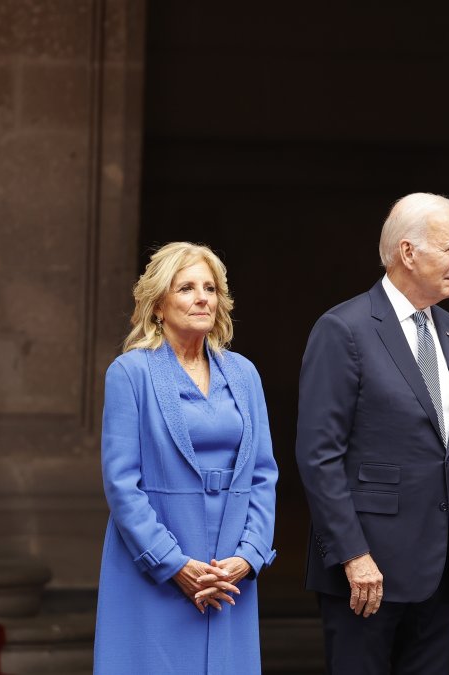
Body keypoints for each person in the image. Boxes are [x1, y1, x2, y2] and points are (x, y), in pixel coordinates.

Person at [295, 193, 449, 675]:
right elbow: (318, 455)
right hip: (366, 574)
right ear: (409, 253)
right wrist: (354, 555)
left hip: (443, 574)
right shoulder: (343, 329)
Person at [93, 242, 279, 675]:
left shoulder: (244, 373)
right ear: (158, 305)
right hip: (154, 570)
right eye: (187, 288)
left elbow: (264, 474)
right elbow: (122, 484)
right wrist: (173, 564)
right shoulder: (130, 373)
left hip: (228, 575)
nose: (202, 298)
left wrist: (249, 555)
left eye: (210, 288)